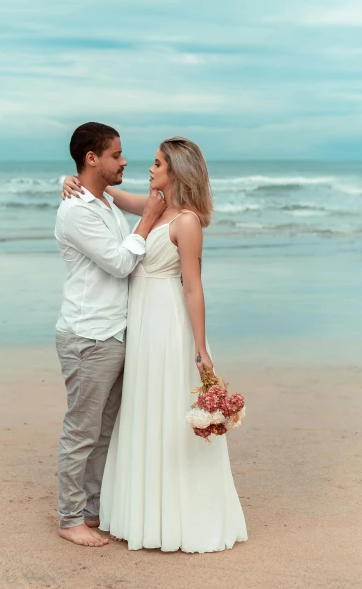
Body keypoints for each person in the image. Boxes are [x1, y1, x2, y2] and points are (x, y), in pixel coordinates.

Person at [63, 136, 248, 553]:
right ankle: (141, 512)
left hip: (166, 323)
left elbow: (193, 289)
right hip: (139, 323)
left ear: (177, 171)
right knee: (142, 411)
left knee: (166, 413)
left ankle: (175, 515)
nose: (149, 168)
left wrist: (201, 349)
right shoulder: (157, 207)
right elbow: (107, 190)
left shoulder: (187, 221)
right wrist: (72, 181)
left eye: (158, 163)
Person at [54, 122, 165, 547]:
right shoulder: (78, 210)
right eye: (117, 155)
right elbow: (120, 263)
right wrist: (149, 220)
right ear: (92, 159)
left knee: (104, 430)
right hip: (89, 335)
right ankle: (69, 518)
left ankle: (92, 509)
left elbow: (145, 210)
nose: (125, 161)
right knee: (82, 430)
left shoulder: (101, 201)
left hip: (113, 332)